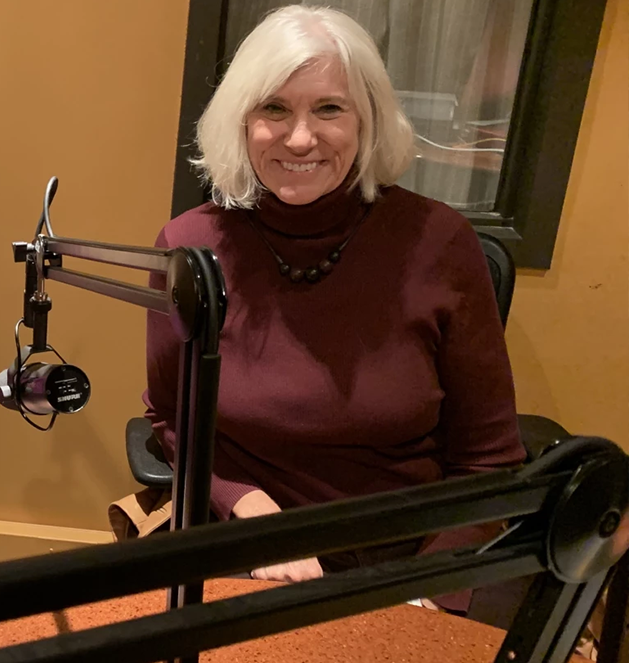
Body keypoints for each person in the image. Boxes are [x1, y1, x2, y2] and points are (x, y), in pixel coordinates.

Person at [143, 6, 523, 606]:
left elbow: (489, 460)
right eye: (274, 108)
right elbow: (169, 419)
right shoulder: (190, 247)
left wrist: (427, 592)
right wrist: (253, 513)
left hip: (407, 563)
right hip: (244, 548)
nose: (299, 137)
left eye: (328, 108)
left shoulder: (440, 243)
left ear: (367, 120)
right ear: (241, 122)